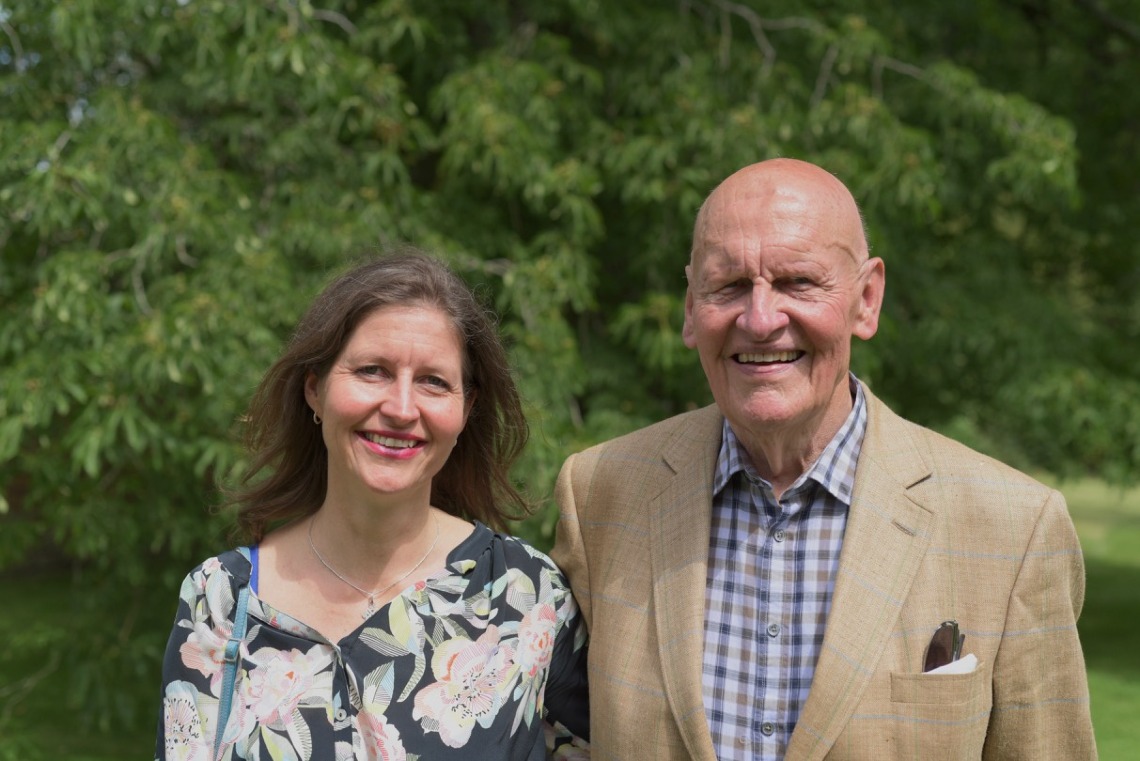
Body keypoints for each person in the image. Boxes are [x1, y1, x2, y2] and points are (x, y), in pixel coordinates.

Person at [551, 158, 1096, 760]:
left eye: (798, 283)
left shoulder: (1016, 529)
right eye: (728, 286)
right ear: (689, 308)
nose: (760, 320)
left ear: (866, 299)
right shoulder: (600, 493)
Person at [156, 250, 589, 760]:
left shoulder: (526, 598)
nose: (402, 408)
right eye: (372, 371)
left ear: (465, 410)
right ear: (315, 390)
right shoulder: (220, 601)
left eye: (433, 381)